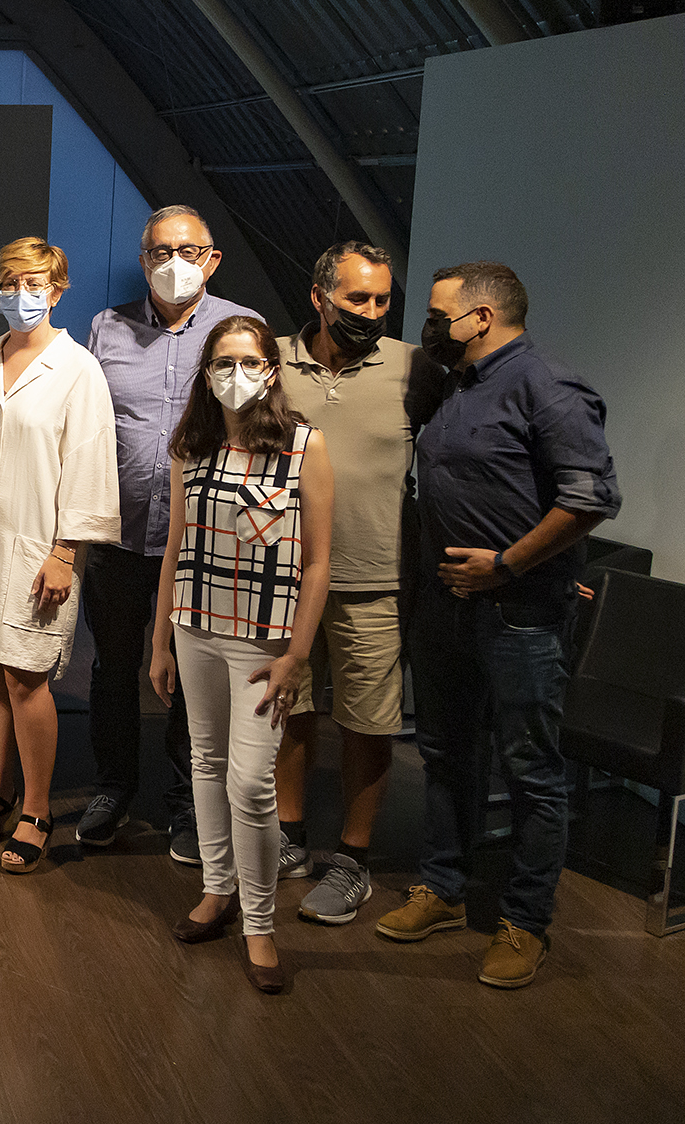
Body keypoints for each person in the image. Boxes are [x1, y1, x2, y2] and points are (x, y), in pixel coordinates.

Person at [374, 261, 619, 989]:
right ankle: (444, 888)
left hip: (520, 613)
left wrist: (508, 564)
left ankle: (525, 922)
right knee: (446, 753)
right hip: (445, 607)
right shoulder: (457, 385)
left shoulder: (549, 386)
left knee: (531, 771)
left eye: (438, 314)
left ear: (480, 317)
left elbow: (591, 497)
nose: (429, 326)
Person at [150, 318, 334, 995]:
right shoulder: (191, 447)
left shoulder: (304, 446)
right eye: (223, 362)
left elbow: (318, 564)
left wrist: (297, 655)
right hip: (195, 626)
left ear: (271, 369)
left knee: (252, 783)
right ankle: (217, 889)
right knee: (205, 761)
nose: (237, 374)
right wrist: (160, 640)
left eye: (250, 361)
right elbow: (176, 545)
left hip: (264, 641)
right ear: (206, 374)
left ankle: (260, 924)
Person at [81, 204, 263, 864]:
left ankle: (189, 803)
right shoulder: (107, 327)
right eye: (161, 251)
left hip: (204, 543)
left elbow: (260, 426)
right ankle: (113, 788)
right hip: (120, 535)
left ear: (212, 259)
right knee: (112, 670)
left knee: (193, 676)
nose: (174, 263)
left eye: (188, 251)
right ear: (143, 259)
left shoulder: (239, 329)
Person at [0, 238, 120, 873]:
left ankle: (37, 809)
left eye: (34, 282)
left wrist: (66, 552)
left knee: (26, 675)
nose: (21, 294)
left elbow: (89, 463)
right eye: (9, 283)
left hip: (40, 545)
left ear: (58, 289)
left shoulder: (78, 369)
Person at [273, 242, 442, 923]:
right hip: (284, 577)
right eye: (356, 298)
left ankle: (352, 859)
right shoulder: (272, 361)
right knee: (289, 709)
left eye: (381, 300)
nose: (370, 312)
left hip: (374, 578)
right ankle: (288, 838)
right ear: (320, 297)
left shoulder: (415, 369)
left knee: (368, 723)